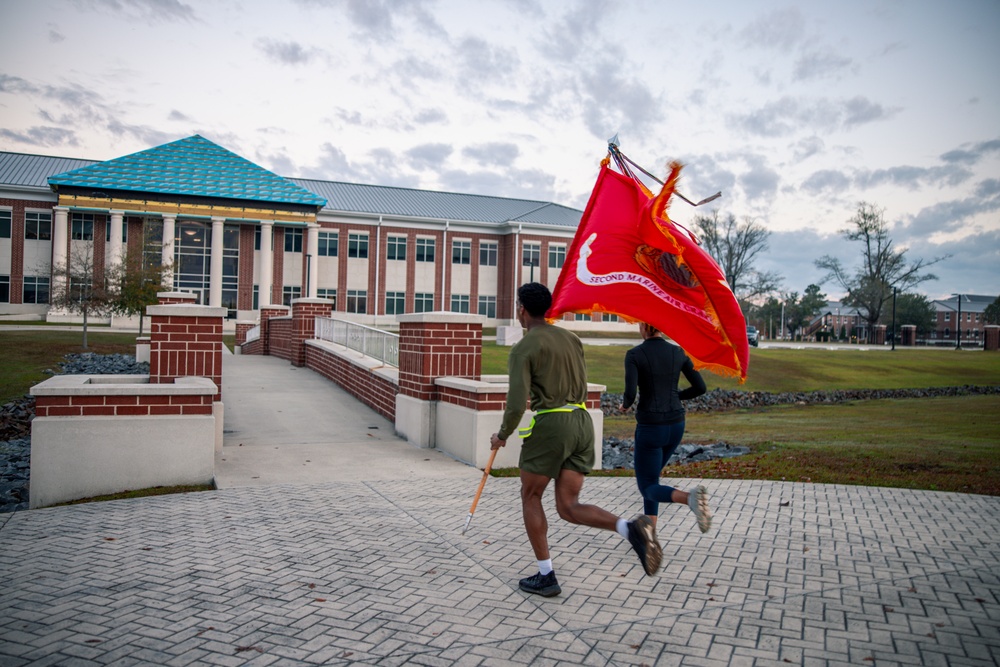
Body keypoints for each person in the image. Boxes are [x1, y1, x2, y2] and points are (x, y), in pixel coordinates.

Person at [490, 283, 662, 598]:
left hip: (552, 424)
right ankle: (630, 528)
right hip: (582, 423)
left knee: (531, 496)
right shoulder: (572, 338)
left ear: (522, 311)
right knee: (568, 506)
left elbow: (516, 405)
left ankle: (546, 575)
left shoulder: (524, 347)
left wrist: (501, 435)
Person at [622, 322, 712, 533]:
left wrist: (625, 405)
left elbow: (630, 394)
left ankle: (690, 499)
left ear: (644, 326)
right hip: (676, 425)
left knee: (647, 486)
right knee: (652, 480)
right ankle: (650, 535)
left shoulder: (634, 354)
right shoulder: (677, 351)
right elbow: (700, 387)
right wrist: (676, 396)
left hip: (651, 427)